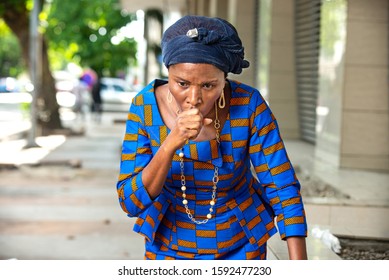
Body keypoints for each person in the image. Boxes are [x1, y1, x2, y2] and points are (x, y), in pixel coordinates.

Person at [116, 15, 308, 260]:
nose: (194, 97)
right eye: (182, 83)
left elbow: (282, 186)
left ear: (224, 79)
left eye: (208, 86)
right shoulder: (144, 107)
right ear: (168, 72)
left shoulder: (249, 105)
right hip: (168, 243)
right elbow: (130, 202)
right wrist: (170, 143)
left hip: (242, 243)